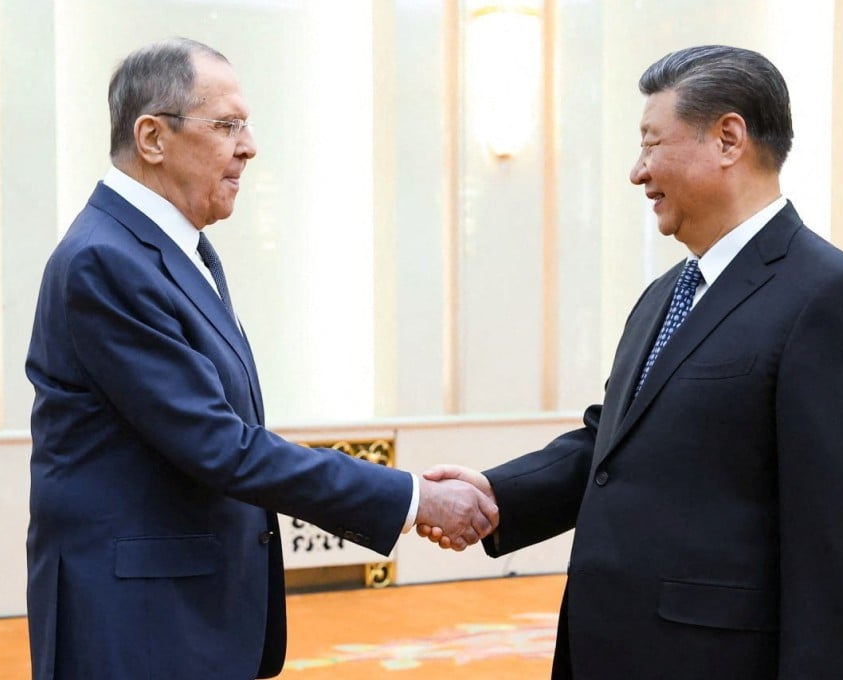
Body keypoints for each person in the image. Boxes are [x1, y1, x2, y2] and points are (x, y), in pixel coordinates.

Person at [421, 45, 843, 679]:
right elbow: (613, 446)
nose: (637, 172)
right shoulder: (665, 295)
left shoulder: (831, 298)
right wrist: (498, 493)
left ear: (728, 139)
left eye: (651, 144)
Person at [25, 37, 496, 679]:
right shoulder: (105, 260)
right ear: (152, 137)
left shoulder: (175, 250)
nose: (249, 146)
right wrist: (413, 498)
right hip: (135, 625)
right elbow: (220, 446)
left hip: (182, 616)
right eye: (227, 126)